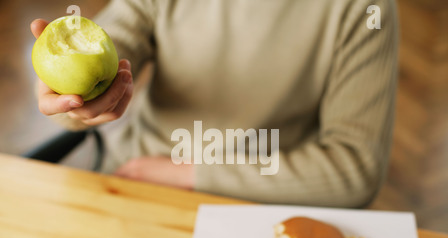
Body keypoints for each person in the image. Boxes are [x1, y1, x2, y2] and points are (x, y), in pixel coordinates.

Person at [30, 0, 399, 208]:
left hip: (262, 201)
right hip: (136, 184)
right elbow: (120, 37)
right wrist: (75, 99)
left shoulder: (364, 9)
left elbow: (356, 169)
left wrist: (190, 173)